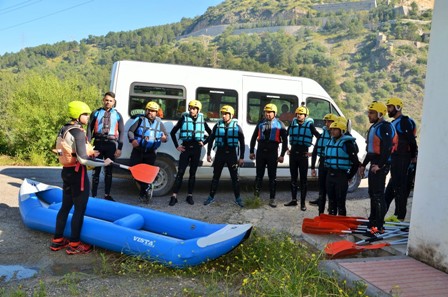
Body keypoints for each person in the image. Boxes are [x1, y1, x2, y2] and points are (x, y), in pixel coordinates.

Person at [50, 101, 113, 254]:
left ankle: (57, 241)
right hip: (79, 175)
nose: (87, 117)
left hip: (67, 172)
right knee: (79, 209)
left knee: (65, 207)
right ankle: (74, 244)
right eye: (85, 114)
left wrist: (90, 153)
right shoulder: (78, 132)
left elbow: (56, 150)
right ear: (78, 115)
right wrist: (104, 163)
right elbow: (83, 160)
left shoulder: (64, 129)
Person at [359, 101, 397, 234]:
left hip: (381, 164)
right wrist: (363, 165)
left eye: (372, 113)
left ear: (380, 114)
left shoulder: (385, 127)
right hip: (374, 162)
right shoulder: (375, 126)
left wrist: (380, 165)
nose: (369, 115)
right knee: (372, 193)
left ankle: (379, 225)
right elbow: (371, 151)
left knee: (378, 195)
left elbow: (386, 148)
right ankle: (373, 220)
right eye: (369, 112)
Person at [169, 100, 212, 206]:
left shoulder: (202, 120)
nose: (191, 110)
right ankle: (174, 196)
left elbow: (211, 134)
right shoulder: (184, 118)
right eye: (190, 108)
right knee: (180, 173)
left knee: (192, 174)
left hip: (196, 150)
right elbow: (172, 132)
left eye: (194, 108)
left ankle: (189, 195)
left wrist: (204, 142)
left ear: (198, 110)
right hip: (186, 149)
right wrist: (177, 146)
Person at [203, 105, 245, 207]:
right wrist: (208, 154)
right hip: (220, 155)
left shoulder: (237, 127)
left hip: (231, 155)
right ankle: (211, 197)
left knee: (235, 178)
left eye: (226, 114)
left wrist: (241, 157)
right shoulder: (217, 126)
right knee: (215, 177)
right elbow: (211, 139)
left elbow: (242, 143)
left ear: (231, 115)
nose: (224, 116)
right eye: (223, 114)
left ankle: (238, 199)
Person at [384, 97, 418, 221]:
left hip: (404, 158)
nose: (388, 109)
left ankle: (400, 217)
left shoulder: (404, 121)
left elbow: (411, 141)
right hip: (395, 158)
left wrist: (413, 156)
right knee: (392, 188)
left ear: (398, 107)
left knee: (401, 189)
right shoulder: (393, 122)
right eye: (388, 107)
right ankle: (383, 216)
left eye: (390, 107)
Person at [87, 91, 125, 202]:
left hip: (111, 145)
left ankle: (107, 194)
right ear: (103, 100)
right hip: (98, 143)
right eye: (106, 100)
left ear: (114, 102)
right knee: (96, 170)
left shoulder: (117, 115)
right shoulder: (96, 113)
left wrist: (119, 148)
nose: (108, 102)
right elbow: (89, 128)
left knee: (109, 171)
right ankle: (93, 195)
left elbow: (122, 132)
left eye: (110, 101)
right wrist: (88, 145)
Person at [128, 101, 168, 203]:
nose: (151, 113)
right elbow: (130, 131)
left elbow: (166, 137)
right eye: (149, 110)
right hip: (138, 150)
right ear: (146, 110)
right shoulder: (140, 120)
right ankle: (147, 188)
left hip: (151, 153)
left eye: (153, 111)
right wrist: (132, 140)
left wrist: (164, 138)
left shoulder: (159, 123)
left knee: (146, 174)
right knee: (134, 172)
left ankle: (143, 194)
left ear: (156, 112)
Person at [249, 103, 288, 208]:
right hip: (261, 152)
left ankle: (272, 199)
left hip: (272, 153)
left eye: (270, 112)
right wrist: (252, 151)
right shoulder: (260, 123)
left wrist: (282, 155)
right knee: (259, 176)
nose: (268, 114)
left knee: (272, 177)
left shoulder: (280, 124)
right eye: (266, 112)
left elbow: (285, 141)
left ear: (274, 113)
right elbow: (253, 138)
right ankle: (256, 197)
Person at [284, 106, 320, 211]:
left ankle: (303, 203)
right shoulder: (293, 123)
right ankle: (294, 200)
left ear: (305, 115)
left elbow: (319, 137)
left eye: (301, 114)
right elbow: (285, 135)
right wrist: (286, 148)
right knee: (293, 179)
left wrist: (313, 153)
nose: (299, 115)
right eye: (297, 114)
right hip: (293, 154)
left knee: (303, 180)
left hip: (303, 156)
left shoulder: (310, 125)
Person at [324, 119, 360, 216]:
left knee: (340, 202)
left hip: (341, 176)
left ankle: (341, 223)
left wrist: (349, 176)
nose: (332, 131)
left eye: (335, 129)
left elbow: (355, 163)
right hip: (330, 175)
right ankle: (331, 222)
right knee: (331, 202)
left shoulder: (347, 144)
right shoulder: (330, 142)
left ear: (342, 131)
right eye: (331, 129)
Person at [310, 113, 338, 214]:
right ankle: (320, 213)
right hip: (322, 164)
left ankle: (331, 213)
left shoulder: (338, 137)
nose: (327, 124)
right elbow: (315, 151)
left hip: (332, 166)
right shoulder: (322, 135)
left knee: (331, 192)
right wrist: (312, 167)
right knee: (322, 191)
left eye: (329, 121)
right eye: (326, 121)